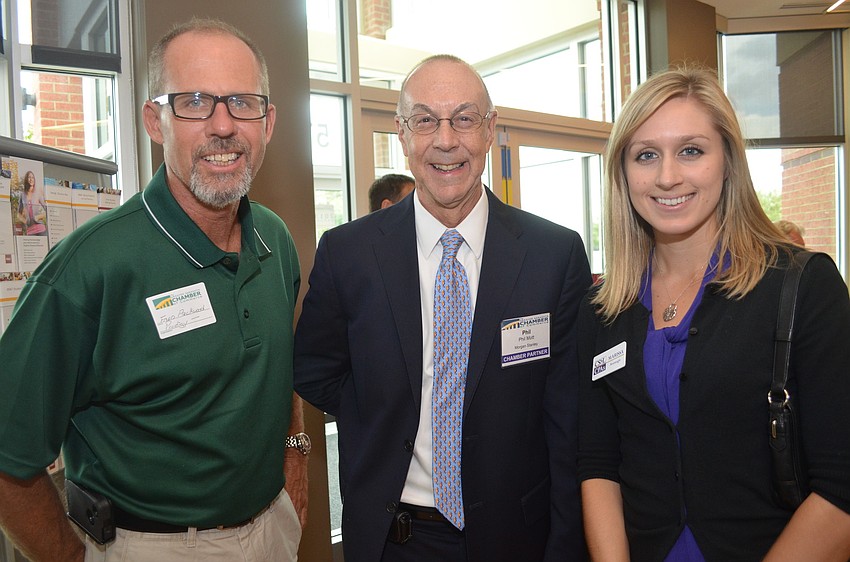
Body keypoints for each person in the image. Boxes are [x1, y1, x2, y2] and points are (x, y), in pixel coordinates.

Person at [0, 18, 308, 562]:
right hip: (150, 545)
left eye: (242, 103)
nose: (223, 126)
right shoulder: (88, 269)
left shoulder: (275, 241)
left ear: (268, 122)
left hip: (273, 531)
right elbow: (8, 458)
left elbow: (278, 369)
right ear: (154, 122)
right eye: (195, 102)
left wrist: (296, 453)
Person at [294, 54, 591, 562]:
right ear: (402, 134)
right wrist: (379, 408)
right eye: (426, 120)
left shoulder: (553, 255)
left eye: (464, 118)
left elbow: (569, 418)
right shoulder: (348, 252)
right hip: (393, 541)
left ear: (490, 130)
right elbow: (315, 369)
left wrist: (566, 547)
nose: (446, 140)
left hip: (517, 537)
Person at [577, 66, 850, 561]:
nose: (667, 176)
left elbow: (841, 484)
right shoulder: (605, 307)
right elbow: (599, 462)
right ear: (623, 174)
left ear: (728, 161)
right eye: (646, 155)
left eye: (691, 150)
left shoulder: (803, 286)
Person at [17, 170, 47, 236]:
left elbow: (47, 210)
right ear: (26, 179)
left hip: (41, 228)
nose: (31, 179)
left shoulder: (38, 193)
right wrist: (25, 221)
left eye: (32, 177)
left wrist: (38, 217)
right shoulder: (22, 195)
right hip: (30, 230)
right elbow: (18, 214)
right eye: (29, 177)